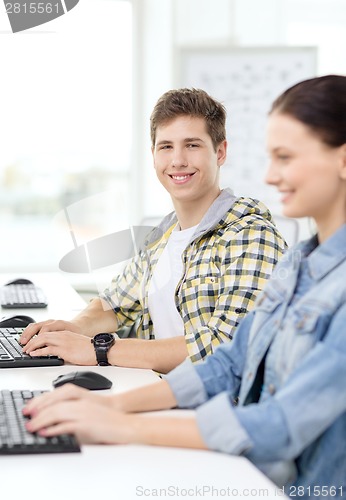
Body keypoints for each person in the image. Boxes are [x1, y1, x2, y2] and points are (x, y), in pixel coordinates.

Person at [24, 75, 346, 498]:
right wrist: (111, 404)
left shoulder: (258, 238)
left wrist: (122, 418)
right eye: (166, 146)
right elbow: (229, 362)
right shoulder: (300, 264)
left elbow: (279, 424)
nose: (269, 176)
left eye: (285, 158)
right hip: (241, 461)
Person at [20, 88, 286, 373]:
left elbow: (222, 347)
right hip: (161, 394)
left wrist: (98, 350)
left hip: (217, 410)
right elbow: (114, 304)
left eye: (192, 145)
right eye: (166, 146)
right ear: (154, 154)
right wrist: (73, 328)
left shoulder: (251, 236)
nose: (178, 160)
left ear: (220, 152)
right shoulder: (163, 236)